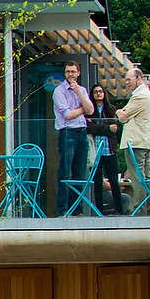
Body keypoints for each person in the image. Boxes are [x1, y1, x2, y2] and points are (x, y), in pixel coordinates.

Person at [51, 61, 91, 214]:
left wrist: (79, 93)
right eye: (68, 72)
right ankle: (62, 210)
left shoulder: (82, 90)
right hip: (67, 133)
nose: (70, 74)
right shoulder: (59, 91)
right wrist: (83, 109)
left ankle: (77, 210)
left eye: (73, 71)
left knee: (80, 172)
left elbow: (91, 109)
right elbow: (68, 115)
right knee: (65, 171)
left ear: (78, 73)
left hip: (82, 132)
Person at [116, 65, 150, 205]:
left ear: (139, 78)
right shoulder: (144, 94)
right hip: (143, 141)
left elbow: (123, 116)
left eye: (129, 79)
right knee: (145, 175)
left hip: (136, 142)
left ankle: (140, 208)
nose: (127, 82)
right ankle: (148, 208)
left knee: (137, 176)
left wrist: (119, 112)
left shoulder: (140, 96)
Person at [87, 86, 124, 214]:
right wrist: (107, 129)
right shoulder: (89, 110)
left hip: (109, 149)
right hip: (95, 151)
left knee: (113, 180)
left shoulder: (111, 109)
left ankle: (119, 209)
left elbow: (116, 128)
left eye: (100, 91)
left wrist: (100, 127)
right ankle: (99, 211)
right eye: (95, 92)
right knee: (97, 182)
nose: (98, 94)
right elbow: (90, 128)